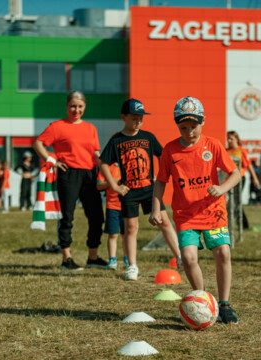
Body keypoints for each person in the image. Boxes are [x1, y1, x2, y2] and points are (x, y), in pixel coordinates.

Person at [150, 96, 241, 324]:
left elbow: (235, 173)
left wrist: (221, 188)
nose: (189, 131)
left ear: (203, 122)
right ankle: (203, 301)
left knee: (223, 252)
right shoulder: (170, 150)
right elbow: (161, 181)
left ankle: (224, 303)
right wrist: (156, 208)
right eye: (184, 127)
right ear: (177, 125)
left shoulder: (213, 145)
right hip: (185, 215)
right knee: (188, 257)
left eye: (194, 126)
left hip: (213, 211)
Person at [99, 98, 181, 281]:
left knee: (164, 222)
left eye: (141, 119)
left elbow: (163, 155)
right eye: (134, 118)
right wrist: (114, 186)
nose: (138, 122)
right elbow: (103, 163)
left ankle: (180, 257)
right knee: (131, 227)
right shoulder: (116, 140)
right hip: (129, 191)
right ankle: (132, 266)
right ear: (124, 117)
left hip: (150, 190)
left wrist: (161, 177)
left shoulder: (148, 137)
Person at [33, 90, 105, 271]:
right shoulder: (57, 126)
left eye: (80, 106)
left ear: (85, 107)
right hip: (68, 174)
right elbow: (38, 144)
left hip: (89, 174)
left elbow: (96, 153)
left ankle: (93, 258)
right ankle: (67, 259)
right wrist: (52, 161)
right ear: (67, 106)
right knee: (67, 217)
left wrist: (106, 167)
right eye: (73, 106)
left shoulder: (91, 128)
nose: (76, 110)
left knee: (96, 216)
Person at [96, 162, 128, 269]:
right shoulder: (107, 166)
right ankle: (112, 260)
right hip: (112, 206)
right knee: (113, 235)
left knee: (127, 234)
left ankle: (127, 259)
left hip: (127, 205)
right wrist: (111, 182)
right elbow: (99, 185)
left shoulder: (128, 164)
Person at [226, 130, 260, 228]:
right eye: (228, 138)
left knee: (236, 200)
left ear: (236, 139)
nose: (229, 140)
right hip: (229, 179)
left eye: (231, 138)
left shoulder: (241, 151)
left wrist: (255, 178)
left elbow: (248, 165)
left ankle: (242, 223)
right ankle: (240, 224)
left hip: (240, 178)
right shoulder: (226, 151)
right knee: (234, 201)